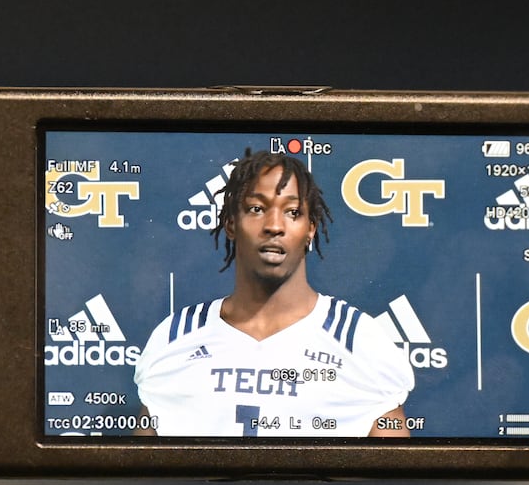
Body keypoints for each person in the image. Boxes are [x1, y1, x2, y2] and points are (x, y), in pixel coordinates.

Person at [134, 150, 413, 437]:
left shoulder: (360, 341)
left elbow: (394, 480)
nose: (274, 226)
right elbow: (143, 478)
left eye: (292, 212)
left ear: (310, 229)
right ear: (231, 223)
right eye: (256, 209)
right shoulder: (175, 337)